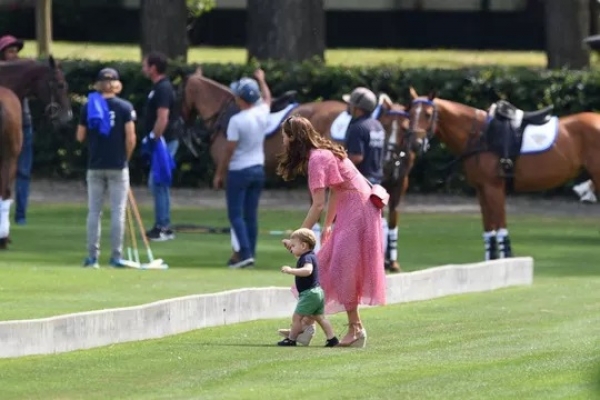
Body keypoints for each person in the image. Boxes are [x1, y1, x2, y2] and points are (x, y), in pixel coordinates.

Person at [277, 116, 387, 348]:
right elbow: (336, 190)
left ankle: (355, 328)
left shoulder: (317, 159)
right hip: (356, 206)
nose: (283, 141)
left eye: (285, 136)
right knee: (326, 264)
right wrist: (328, 224)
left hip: (358, 209)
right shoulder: (321, 153)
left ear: (294, 138)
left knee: (342, 267)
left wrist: (298, 237)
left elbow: (318, 203)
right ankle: (305, 324)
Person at [76, 68, 137, 268]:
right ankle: (116, 256)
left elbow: (80, 136)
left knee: (94, 211)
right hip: (118, 165)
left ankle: (92, 257)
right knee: (118, 212)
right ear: (117, 84)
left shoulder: (89, 106)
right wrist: (125, 158)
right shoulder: (125, 107)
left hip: (95, 165)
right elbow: (130, 138)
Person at [213, 69, 271, 269]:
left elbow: (229, 151)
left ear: (241, 99)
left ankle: (245, 254)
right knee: (251, 214)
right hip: (258, 169)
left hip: (239, 170)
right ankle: (250, 253)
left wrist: (219, 173)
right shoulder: (263, 112)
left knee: (235, 214)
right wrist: (262, 80)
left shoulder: (236, 121)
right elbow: (268, 98)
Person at [342, 87, 392, 269]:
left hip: (359, 185)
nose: (348, 107)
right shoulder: (377, 125)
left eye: (351, 104)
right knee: (374, 229)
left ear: (358, 108)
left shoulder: (357, 127)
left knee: (352, 231)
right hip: (376, 183)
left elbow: (356, 157)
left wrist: (339, 161)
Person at [277, 228, 339, 347]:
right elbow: (298, 252)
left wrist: (291, 270)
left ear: (303, 245)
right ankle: (332, 339)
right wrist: (289, 243)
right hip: (317, 292)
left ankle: (292, 339)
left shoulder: (306, 258)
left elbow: (308, 270)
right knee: (320, 318)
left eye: (293, 246)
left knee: (297, 318)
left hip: (309, 293)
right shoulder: (310, 255)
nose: (291, 248)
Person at [141, 51, 180, 242]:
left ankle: (163, 226)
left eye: (145, 64)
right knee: (156, 183)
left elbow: (162, 117)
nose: (143, 68)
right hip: (161, 142)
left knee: (159, 183)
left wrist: (153, 137)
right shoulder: (157, 87)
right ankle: (161, 223)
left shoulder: (163, 88)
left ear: (153, 68)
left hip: (163, 142)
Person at [0, 35, 33, 225]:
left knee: (23, 172)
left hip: (24, 123)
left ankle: (20, 215)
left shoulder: (23, 71)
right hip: (9, 125)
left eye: (15, 51)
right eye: (9, 51)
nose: (13, 55)